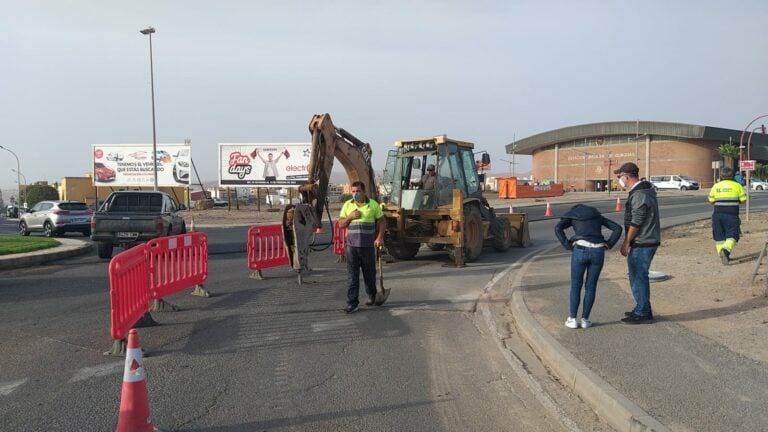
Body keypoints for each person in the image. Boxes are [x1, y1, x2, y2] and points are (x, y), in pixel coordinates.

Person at [555, 204, 622, 329]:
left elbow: (558, 228)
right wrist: (609, 244)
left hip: (580, 249)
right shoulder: (596, 216)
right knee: (591, 286)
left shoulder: (573, 216)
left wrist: (567, 245)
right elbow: (617, 228)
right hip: (598, 251)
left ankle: (573, 319)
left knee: (576, 285)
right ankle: (585, 320)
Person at [614, 162, 661, 324]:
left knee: (638, 276)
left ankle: (643, 312)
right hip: (645, 240)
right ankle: (642, 307)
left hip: (643, 241)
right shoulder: (642, 191)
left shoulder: (640, 194)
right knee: (637, 276)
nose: (619, 180)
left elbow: (637, 220)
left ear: (627, 176)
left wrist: (626, 242)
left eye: (620, 177)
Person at [339, 181, 386, 313]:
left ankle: (372, 296)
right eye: (353, 192)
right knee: (352, 276)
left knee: (369, 275)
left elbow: (382, 221)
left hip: (367, 247)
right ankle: (352, 303)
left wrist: (380, 237)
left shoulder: (373, 205)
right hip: (352, 247)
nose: (355, 194)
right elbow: (341, 224)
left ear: (364, 192)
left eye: (358, 191)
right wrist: (350, 217)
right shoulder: (348, 205)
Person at [708, 167, 747, 265]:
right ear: (732, 175)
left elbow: (711, 200)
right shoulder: (737, 186)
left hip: (717, 215)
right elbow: (743, 200)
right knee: (733, 234)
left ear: (721, 176)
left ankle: (723, 255)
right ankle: (725, 251)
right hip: (731, 215)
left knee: (719, 236)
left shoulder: (715, 186)